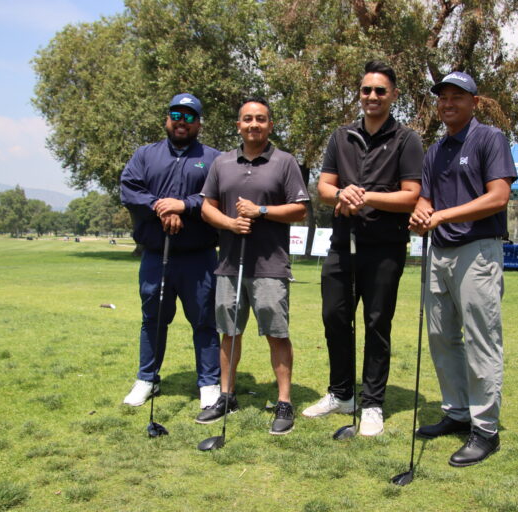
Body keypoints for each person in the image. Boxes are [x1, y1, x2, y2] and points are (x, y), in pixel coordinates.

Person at [302, 61, 423, 436]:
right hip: (342, 243)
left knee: (376, 323)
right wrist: (341, 193)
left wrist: (365, 195)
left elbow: (411, 195)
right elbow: (323, 188)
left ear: (393, 96)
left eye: (380, 91)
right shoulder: (341, 137)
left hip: (384, 247)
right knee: (335, 317)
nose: (372, 97)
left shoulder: (407, 139)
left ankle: (371, 403)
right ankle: (341, 393)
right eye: (367, 90)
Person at [409, 71, 517, 466]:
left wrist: (441, 215)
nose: (448, 103)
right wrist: (422, 213)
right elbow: (425, 198)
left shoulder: (490, 138)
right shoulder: (435, 150)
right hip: (440, 251)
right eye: (443, 98)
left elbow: (498, 197)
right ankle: (456, 412)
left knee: (481, 339)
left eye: (458, 97)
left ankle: (485, 429)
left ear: (474, 102)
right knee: (441, 337)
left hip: (478, 250)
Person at [196, 97, 309, 435]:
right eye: (248, 119)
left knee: (276, 333)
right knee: (229, 333)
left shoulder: (285, 162)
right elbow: (206, 208)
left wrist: (260, 211)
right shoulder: (222, 163)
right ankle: (226, 395)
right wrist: (230, 224)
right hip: (230, 264)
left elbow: (299, 209)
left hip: (270, 265)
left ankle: (284, 401)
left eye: (261, 119)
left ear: (270, 125)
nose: (254, 124)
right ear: (239, 125)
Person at [120, 93, 222, 409]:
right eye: (176, 115)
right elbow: (129, 189)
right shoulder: (145, 155)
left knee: (204, 321)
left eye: (190, 117)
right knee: (153, 319)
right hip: (156, 256)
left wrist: (185, 205)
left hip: (199, 257)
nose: (182, 121)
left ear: (199, 123)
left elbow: (217, 196)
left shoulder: (214, 158)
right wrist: (161, 208)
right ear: (167, 118)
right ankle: (147, 379)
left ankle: (209, 383)